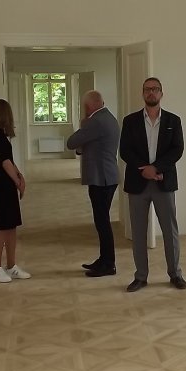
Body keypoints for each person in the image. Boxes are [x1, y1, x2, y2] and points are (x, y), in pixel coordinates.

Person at [119, 77, 186, 292]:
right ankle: (140, 276)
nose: (151, 92)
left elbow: (177, 149)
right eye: (147, 89)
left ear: (161, 93)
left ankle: (175, 274)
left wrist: (156, 168)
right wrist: (145, 169)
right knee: (139, 233)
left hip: (163, 183)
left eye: (155, 89)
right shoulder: (130, 121)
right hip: (137, 183)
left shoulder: (173, 120)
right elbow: (125, 150)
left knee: (170, 231)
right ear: (143, 93)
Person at [66, 90, 121, 277]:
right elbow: (87, 146)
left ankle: (109, 264)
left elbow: (71, 142)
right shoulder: (108, 118)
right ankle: (104, 259)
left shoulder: (95, 121)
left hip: (101, 178)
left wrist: (83, 124)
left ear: (89, 106)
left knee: (102, 222)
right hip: (107, 176)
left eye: (85, 106)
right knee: (101, 220)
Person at [0, 98, 31, 283]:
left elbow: (8, 160)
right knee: (2, 228)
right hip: (0, 187)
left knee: (11, 227)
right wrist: (18, 181)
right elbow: (5, 163)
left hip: (5, 186)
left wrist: (19, 176)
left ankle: (11, 266)